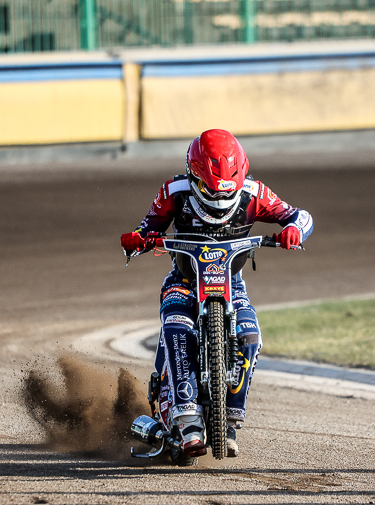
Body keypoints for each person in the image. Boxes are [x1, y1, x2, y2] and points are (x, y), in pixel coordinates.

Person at [120, 129, 313, 458]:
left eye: (228, 194)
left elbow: (300, 216)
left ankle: (231, 421)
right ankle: (186, 416)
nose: (221, 202)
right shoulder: (173, 191)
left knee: (250, 336)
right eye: (213, 193)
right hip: (182, 281)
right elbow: (147, 226)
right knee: (177, 330)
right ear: (194, 177)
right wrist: (140, 239)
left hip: (232, 282)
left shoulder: (256, 193)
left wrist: (294, 230)